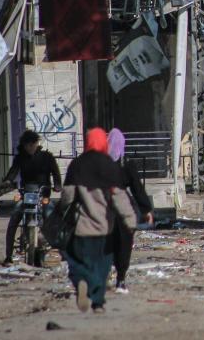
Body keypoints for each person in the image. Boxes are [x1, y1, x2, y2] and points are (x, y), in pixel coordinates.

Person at [59, 128, 137, 313]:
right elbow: (119, 197)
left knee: (79, 262)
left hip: (81, 226)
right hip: (104, 227)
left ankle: (81, 283)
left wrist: (61, 211)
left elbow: (68, 195)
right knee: (101, 266)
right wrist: (130, 220)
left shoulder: (77, 164)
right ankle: (98, 303)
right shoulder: (110, 166)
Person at [0, 130, 63, 265]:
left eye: (32, 144)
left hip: (42, 195)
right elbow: (13, 172)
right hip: (26, 195)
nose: (30, 147)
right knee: (14, 218)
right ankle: (8, 255)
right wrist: (7, 181)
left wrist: (57, 185)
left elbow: (56, 174)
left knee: (51, 216)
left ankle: (62, 251)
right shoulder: (20, 158)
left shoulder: (47, 157)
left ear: (36, 143)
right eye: (27, 145)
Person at [106, 128, 153, 294]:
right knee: (124, 244)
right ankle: (121, 279)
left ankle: (104, 274)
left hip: (103, 207)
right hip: (124, 208)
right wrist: (146, 209)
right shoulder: (127, 164)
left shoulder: (100, 163)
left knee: (106, 243)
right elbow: (137, 188)